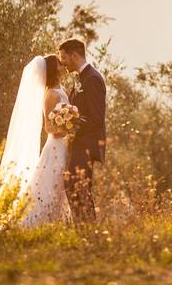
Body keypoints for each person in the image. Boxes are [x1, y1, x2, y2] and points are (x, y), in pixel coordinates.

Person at [0, 55, 72, 228]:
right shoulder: (51, 94)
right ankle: (34, 224)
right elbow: (48, 128)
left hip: (64, 145)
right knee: (52, 184)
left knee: (59, 184)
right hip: (55, 147)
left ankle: (57, 223)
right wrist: (67, 129)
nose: (63, 63)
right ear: (54, 69)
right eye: (59, 62)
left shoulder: (62, 89)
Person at [57, 38, 107, 223]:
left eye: (64, 58)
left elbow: (96, 118)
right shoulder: (82, 78)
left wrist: (72, 125)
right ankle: (84, 229)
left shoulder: (92, 79)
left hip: (87, 144)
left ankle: (88, 229)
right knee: (73, 186)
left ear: (75, 56)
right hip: (79, 143)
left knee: (78, 188)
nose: (63, 63)